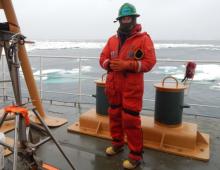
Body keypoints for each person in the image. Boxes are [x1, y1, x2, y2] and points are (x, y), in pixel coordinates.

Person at [99, 3, 156, 169]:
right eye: (123, 18)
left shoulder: (143, 39)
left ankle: (135, 156)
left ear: (134, 18)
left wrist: (128, 65)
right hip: (114, 86)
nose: (126, 21)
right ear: (119, 20)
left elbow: (149, 62)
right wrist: (108, 64)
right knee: (115, 115)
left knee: (131, 120)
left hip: (132, 88)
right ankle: (117, 144)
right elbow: (102, 58)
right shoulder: (112, 40)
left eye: (128, 17)